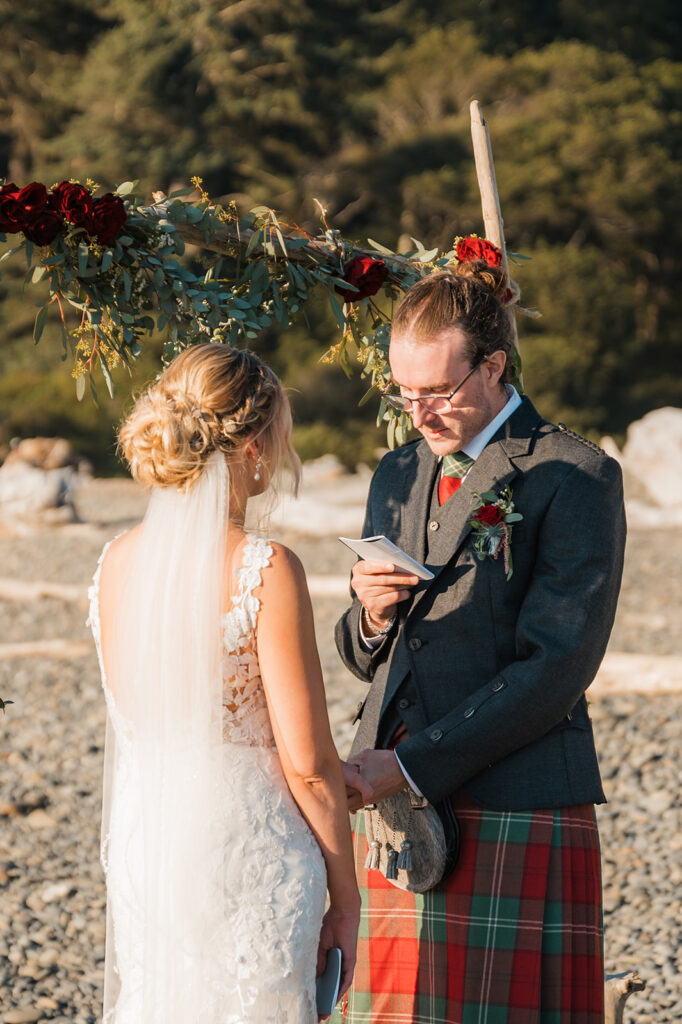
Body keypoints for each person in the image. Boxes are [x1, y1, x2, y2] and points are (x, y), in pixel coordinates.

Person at [334, 262, 626, 1024]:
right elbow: (367, 654)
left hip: (512, 790)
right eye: (403, 391)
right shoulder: (397, 471)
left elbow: (559, 664)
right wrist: (367, 615)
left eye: (436, 390)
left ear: (494, 365)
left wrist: (408, 764)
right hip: (390, 799)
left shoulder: (575, 474)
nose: (418, 411)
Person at [89, 343, 360, 1024]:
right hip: (251, 855)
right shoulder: (266, 568)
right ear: (257, 446)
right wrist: (347, 898)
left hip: (148, 846)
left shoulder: (113, 564)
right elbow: (310, 766)